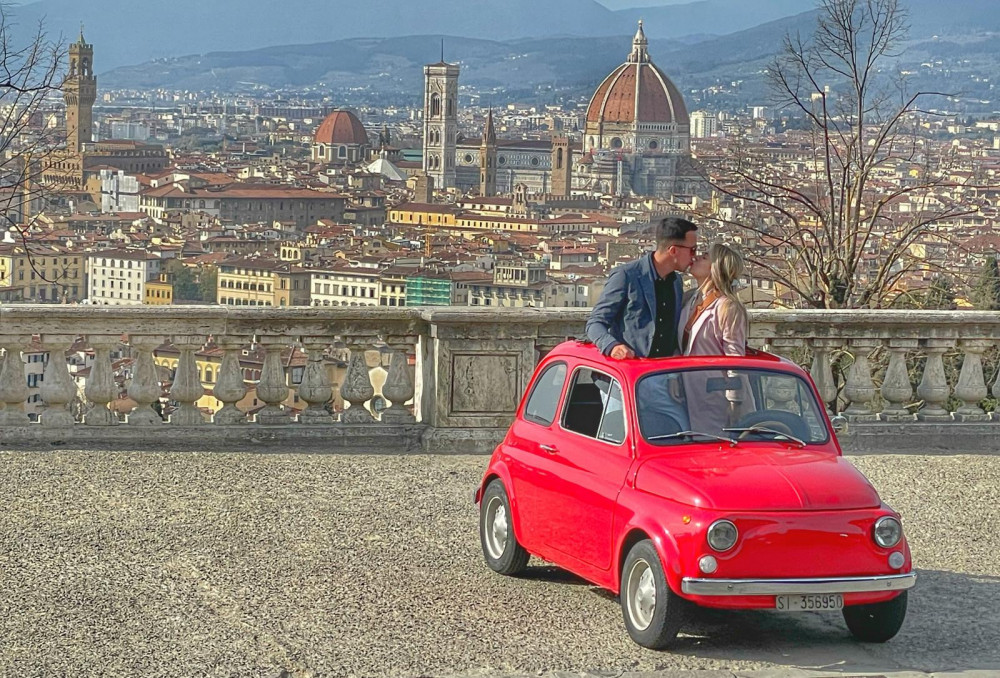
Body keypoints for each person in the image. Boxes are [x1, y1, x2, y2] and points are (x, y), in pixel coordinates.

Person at [586, 216, 698, 360]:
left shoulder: (676, 282)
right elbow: (595, 323)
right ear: (673, 250)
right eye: (692, 250)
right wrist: (612, 346)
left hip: (662, 375)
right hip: (628, 374)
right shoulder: (626, 276)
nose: (694, 257)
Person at [678, 242, 753, 433]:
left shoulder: (727, 307)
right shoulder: (690, 300)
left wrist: (735, 403)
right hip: (691, 392)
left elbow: (734, 358)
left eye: (704, 257)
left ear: (715, 269)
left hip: (717, 396)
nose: (695, 258)